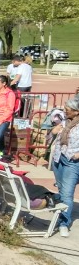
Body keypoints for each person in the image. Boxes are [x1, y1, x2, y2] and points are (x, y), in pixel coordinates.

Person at [52, 96, 79, 238]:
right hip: (58, 158)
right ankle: (60, 214)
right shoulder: (65, 121)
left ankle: (63, 223)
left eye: (67, 109)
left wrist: (77, 155)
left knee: (67, 193)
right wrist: (54, 131)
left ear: (76, 111)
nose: (65, 111)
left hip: (72, 161)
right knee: (62, 190)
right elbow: (52, 135)